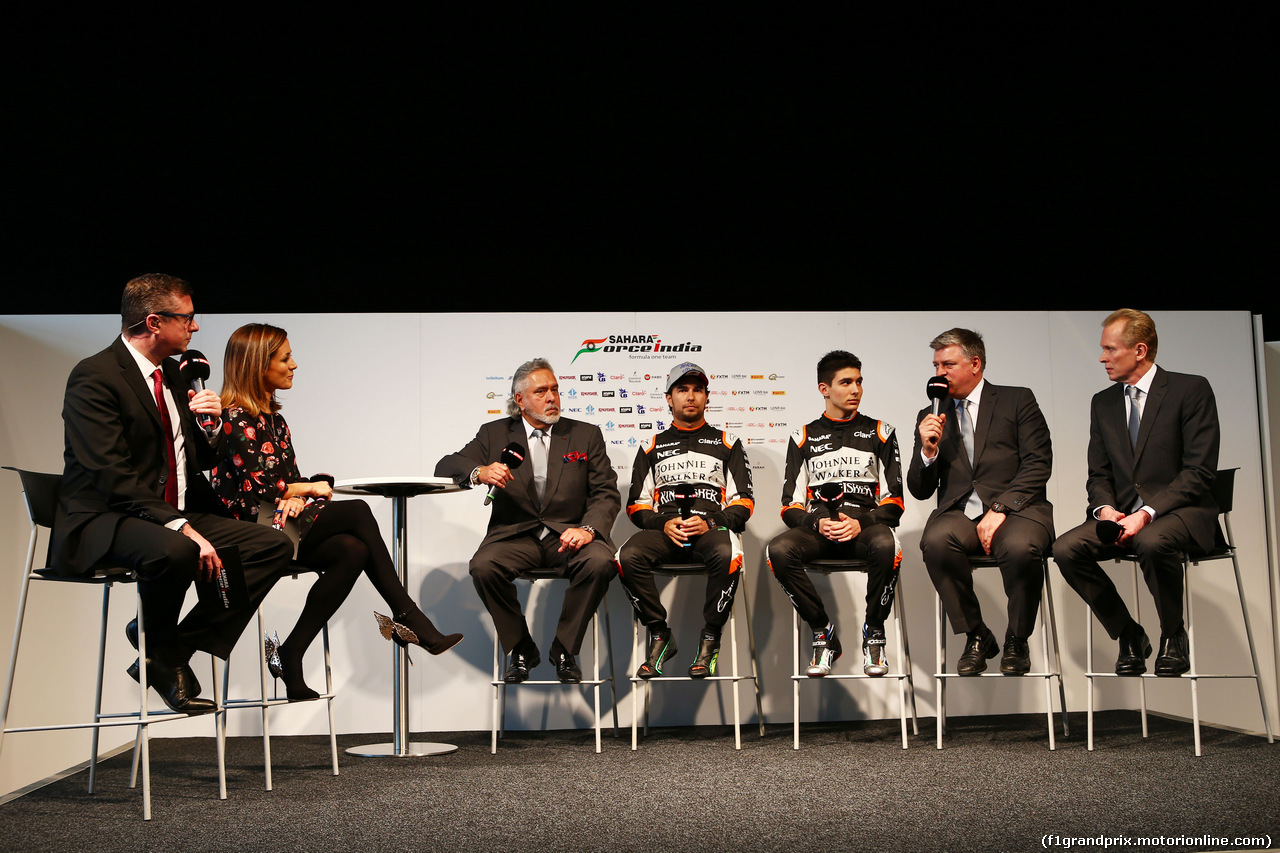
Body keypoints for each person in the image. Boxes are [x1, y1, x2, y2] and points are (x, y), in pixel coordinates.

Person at [51, 274, 295, 714]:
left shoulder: (174, 378)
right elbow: (110, 475)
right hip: (107, 517)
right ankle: (162, 649)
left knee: (272, 545)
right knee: (176, 549)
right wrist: (180, 525)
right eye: (187, 318)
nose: (195, 327)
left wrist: (213, 428)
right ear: (154, 322)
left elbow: (194, 460)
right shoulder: (95, 375)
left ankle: (168, 648)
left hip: (168, 514)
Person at [209, 324, 463, 701]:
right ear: (258, 365)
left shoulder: (275, 421)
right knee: (358, 510)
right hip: (251, 532)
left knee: (352, 551)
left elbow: (287, 481)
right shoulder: (234, 418)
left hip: (282, 525)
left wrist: (298, 492)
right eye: (284, 358)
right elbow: (257, 492)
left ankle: (292, 653)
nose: (294, 365)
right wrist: (303, 490)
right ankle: (409, 616)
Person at [1053, 309, 1219, 677]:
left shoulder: (1190, 390)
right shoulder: (1104, 402)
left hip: (1181, 512)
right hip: (1123, 514)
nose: (1102, 358)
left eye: (1110, 349)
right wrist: (1106, 508)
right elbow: (1099, 472)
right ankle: (1128, 633)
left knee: (1152, 541)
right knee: (1065, 549)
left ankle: (1173, 635)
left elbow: (1199, 472)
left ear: (1140, 350)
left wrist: (1146, 514)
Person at [436, 358, 620, 684]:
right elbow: (447, 464)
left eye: (555, 390)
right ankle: (521, 646)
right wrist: (480, 472)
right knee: (484, 566)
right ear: (520, 400)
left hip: (569, 534)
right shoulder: (494, 434)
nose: (552, 397)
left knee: (601, 561)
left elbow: (605, 493)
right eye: (541, 391)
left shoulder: (585, 435)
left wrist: (588, 530)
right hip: (515, 535)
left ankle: (564, 648)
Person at [907, 328, 1054, 676]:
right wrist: (928, 451)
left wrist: (1000, 508)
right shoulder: (930, 414)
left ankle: (1017, 638)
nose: (938, 374)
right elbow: (919, 488)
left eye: (948, 365)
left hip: (1018, 509)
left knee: (1020, 547)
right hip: (961, 512)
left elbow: (1038, 463)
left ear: (975, 363)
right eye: (936, 366)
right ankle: (977, 634)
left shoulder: (1017, 400)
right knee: (935, 541)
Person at [766, 350, 905, 677]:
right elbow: (790, 506)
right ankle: (822, 632)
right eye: (846, 382)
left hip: (865, 529)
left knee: (889, 546)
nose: (855, 389)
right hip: (820, 531)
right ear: (824, 389)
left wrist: (861, 523)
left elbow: (895, 502)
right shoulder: (803, 436)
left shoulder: (881, 432)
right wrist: (818, 522)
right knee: (778, 550)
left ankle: (874, 632)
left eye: (859, 382)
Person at [616, 363, 754, 679]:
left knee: (728, 555)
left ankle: (710, 638)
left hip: (710, 527)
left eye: (697, 390)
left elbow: (744, 501)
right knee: (626, 557)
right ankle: (660, 635)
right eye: (682, 390)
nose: (690, 396)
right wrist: (661, 524)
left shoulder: (728, 443)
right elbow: (636, 506)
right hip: (667, 529)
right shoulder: (651, 446)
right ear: (669, 398)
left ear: (706, 397)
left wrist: (712, 522)